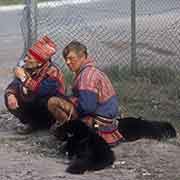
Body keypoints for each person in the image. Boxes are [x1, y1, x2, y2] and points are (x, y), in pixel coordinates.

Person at [48, 40, 124, 146]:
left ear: (83, 56)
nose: (67, 62)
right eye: (66, 59)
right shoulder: (91, 71)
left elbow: (87, 107)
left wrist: (70, 104)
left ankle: (71, 133)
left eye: (71, 58)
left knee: (53, 102)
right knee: (64, 101)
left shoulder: (87, 76)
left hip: (100, 121)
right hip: (109, 116)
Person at [4, 35, 65, 134]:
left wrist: (23, 78)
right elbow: (14, 84)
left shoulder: (53, 73)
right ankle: (32, 124)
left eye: (29, 58)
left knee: (43, 99)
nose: (25, 60)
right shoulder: (27, 68)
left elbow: (42, 90)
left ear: (40, 63)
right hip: (36, 106)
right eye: (26, 56)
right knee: (10, 97)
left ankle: (53, 125)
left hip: (49, 111)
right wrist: (10, 95)